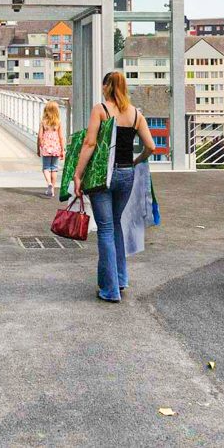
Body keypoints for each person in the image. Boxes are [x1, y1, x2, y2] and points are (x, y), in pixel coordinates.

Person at [73, 71, 155, 303]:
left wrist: (78, 175)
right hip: (126, 175)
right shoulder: (136, 114)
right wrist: (135, 161)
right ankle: (120, 279)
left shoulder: (101, 110)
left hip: (103, 177)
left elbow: (90, 143)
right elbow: (151, 146)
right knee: (116, 224)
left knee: (106, 230)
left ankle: (110, 290)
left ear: (107, 86)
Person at [38, 100, 66, 198]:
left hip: (46, 147)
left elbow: (40, 136)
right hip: (56, 148)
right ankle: (52, 190)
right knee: (54, 168)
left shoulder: (43, 122)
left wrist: (39, 148)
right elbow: (61, 137)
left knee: (46, 168)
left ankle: (49, 183)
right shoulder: (58, 123)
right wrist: (63, 150)